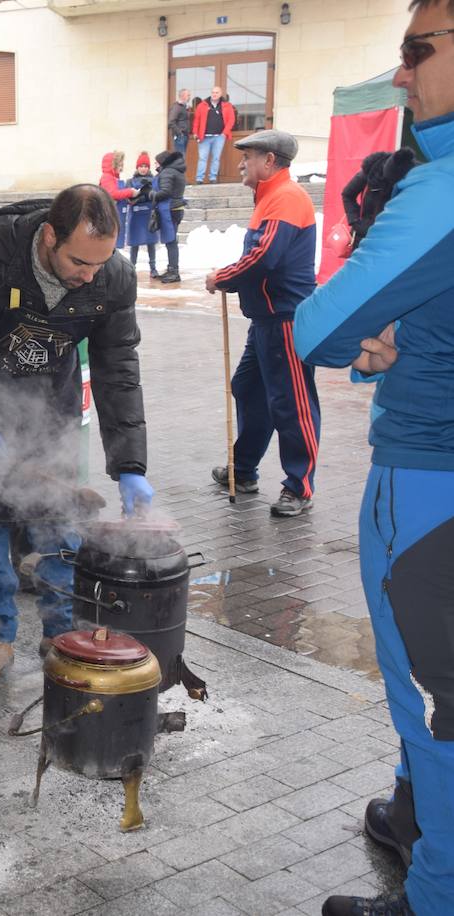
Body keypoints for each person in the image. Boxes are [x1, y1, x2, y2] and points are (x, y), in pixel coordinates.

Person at [295, 5, 454, 913]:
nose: (402, 75)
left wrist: (371, 328)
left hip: (432, 485)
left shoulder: (442, 185)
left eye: (416, 51)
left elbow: (318, 324)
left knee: (439, 711)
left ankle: (433, 894)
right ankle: (410, 819)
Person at [0, 185, 150, 687]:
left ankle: (62, 633)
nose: (89, 276)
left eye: (99, 264)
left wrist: (130, 465)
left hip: (51, 410)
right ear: (49, 236)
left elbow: (118, 368)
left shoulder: (110, 275)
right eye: (78, 262)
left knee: (59, 526)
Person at [205, 129, 320, 517]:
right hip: (267, 320)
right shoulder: (271, 196)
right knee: (249, 389)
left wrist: (222, 277)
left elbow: (264, 257)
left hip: (286, 318)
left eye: (249, 156)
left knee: (292, 404)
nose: (241, 162)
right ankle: (244, 469)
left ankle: (299, 487)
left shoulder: (286, 197)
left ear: (270, 161)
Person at [341, 148, 419, 250]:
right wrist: (355, 222)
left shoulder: (414, 175)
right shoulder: (371, 171)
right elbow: (347, 194)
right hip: (365, 237)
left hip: (393, 239)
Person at [153, 150, 187, 283]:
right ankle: (171, 269)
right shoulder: (176, 170)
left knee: (171, 241)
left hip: (170, 209)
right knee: (170, 241)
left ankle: (174, 272)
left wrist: (152, 195)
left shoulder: (167, 172)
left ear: (162, 162)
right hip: (176, 208)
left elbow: (165, 192)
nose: (154, 164)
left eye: (156, 162)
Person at [125, 152, 160, 278]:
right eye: (141, 166)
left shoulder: (155, 180)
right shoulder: (130, 181)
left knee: (151, 242)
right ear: (137, 167)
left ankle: (153, 268)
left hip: (149, 215)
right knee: (135, 243)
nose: (143, 168)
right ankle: (132, 267)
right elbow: (128, 196)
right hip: (135, 216)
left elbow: (156, 195)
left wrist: (147, 194)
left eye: (146, 166)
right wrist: (138, 197)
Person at [192, 86, 236, 183]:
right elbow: (196, 120)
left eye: (216, 92)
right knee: (202, 158)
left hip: (219, 137)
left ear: (220, 94)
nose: (214, 94)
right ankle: (199, 179)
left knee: (216, 158)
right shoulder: (202, 105)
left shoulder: (227, 105)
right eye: (213, 92)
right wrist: (195, 132)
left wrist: (224, 133)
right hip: (204, 137)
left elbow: (231, 120)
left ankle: (213, 178)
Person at [99, 152, 136, 248]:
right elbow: (113, 194)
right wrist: (130, 192)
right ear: (113, 165)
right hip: (111, 216)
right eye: (119, 165)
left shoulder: (114, 178)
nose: (121, 168)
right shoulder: (107, 177)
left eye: (122, 165)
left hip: (117, 215)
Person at [168, 88, 192, 155]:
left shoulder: (184, 107)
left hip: (184, 136)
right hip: (180, 136)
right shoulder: (177, 107)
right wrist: (179, 133)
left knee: (181, 157)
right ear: (183, 96)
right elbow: (171, 121)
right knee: (180, 158)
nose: (190, 97)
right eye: (188, 95)